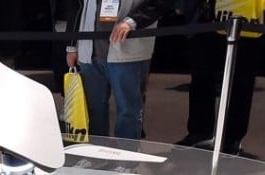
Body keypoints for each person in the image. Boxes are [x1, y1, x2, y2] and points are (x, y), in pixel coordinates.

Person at [65, 0, 171, 139]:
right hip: (89, 52)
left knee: (129, 111)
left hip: (128, 52)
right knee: (93, 110)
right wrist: (71, 46)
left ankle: (127, 158)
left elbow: (160, 3)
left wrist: (132, 21)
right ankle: (97, 157)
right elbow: (76, 6)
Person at [177, 0, 265, 155]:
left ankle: (232, 139)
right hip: (208, 16)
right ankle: (200, 132)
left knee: (242, 80)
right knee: (201, 77)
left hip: (248, 18)